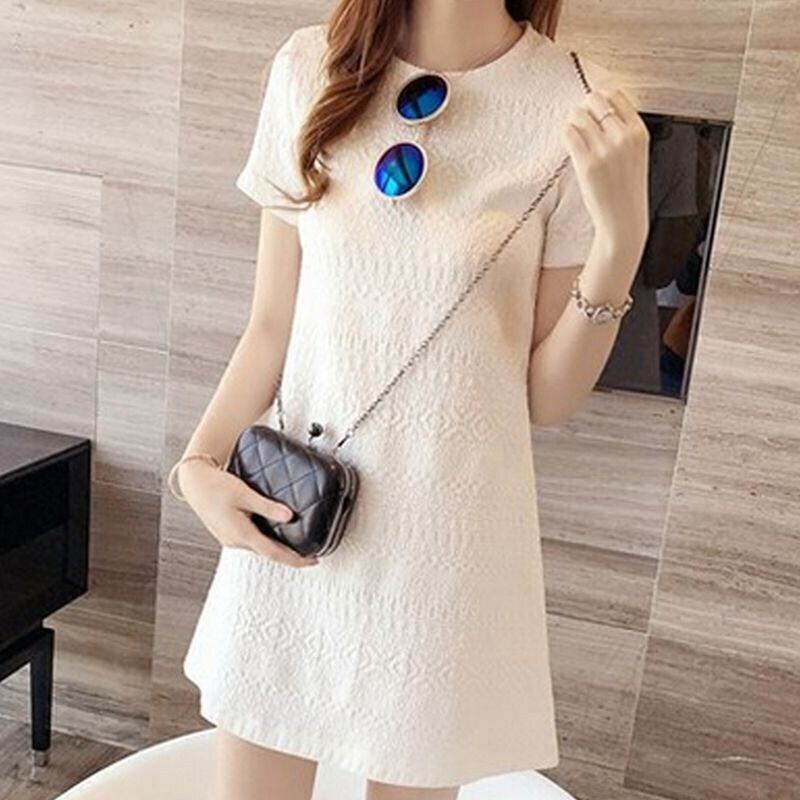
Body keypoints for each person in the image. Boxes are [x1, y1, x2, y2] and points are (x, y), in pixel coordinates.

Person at [171, 1, 649, 798]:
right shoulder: (310, 68)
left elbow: (544, 395)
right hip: (298, 523)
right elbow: (271, 326)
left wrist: (620, 244)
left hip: (443, 550)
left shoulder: (579, 108)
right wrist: (197, 464)